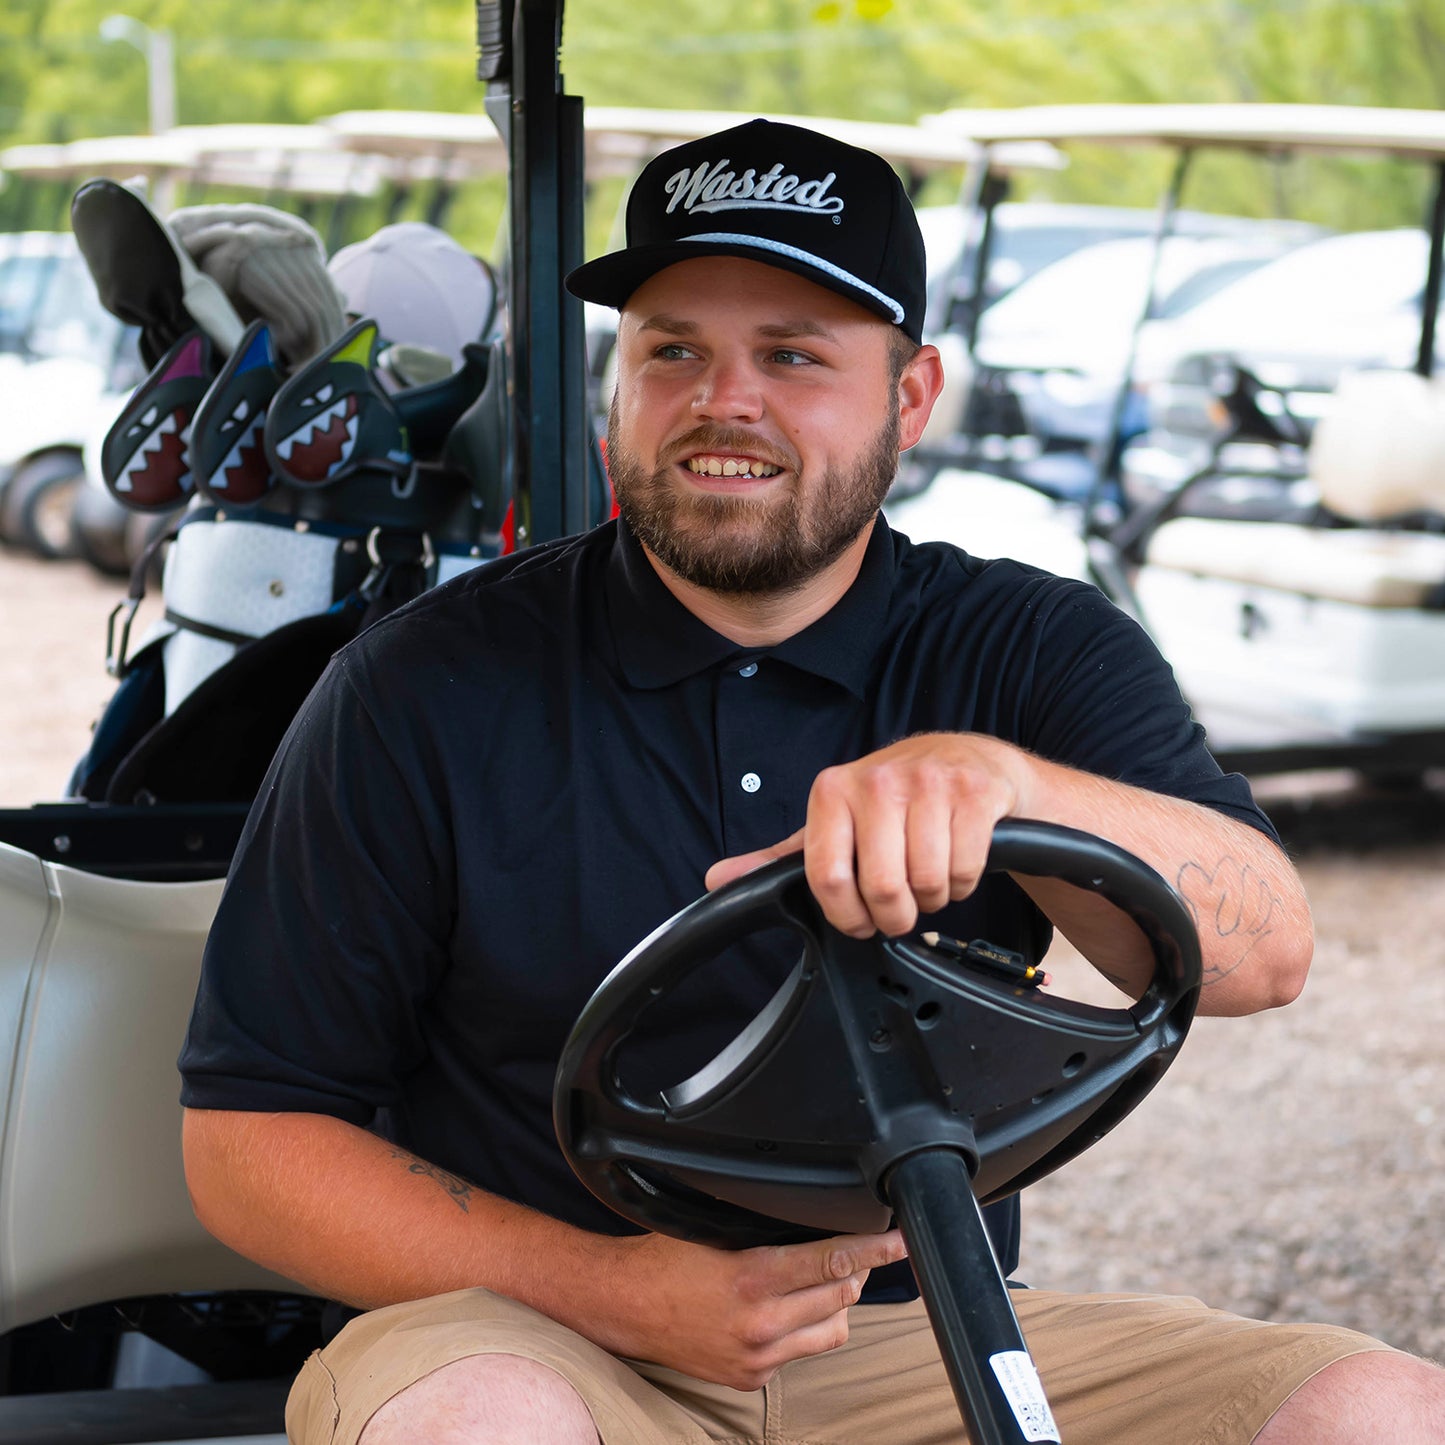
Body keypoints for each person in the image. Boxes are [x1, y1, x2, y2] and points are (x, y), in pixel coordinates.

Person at [178, 119, 1445, 1444]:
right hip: (529, 1327)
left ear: (909, 394)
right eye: (674, 351)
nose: (727, 400)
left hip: (912, 1335)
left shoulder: (1026, 646)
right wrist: (610, 1288)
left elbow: (1263, 950)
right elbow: (249, 1146)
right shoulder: (425, 680)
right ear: (620, 383)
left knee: (1382, 1408)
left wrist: (1005, 788)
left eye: (793, 354)